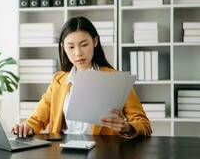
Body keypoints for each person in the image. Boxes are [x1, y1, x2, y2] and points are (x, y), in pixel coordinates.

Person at [12, 16, 152, 138]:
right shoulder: (58, 80)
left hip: (103, 152)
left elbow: (144, 125)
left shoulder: (116, 80)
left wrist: (127, 127)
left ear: (95, 42)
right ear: (63, 47)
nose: (78, 53)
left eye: (84, 45)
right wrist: (27, 127)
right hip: (63, 151)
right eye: (71, 47)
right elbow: (37, 119)